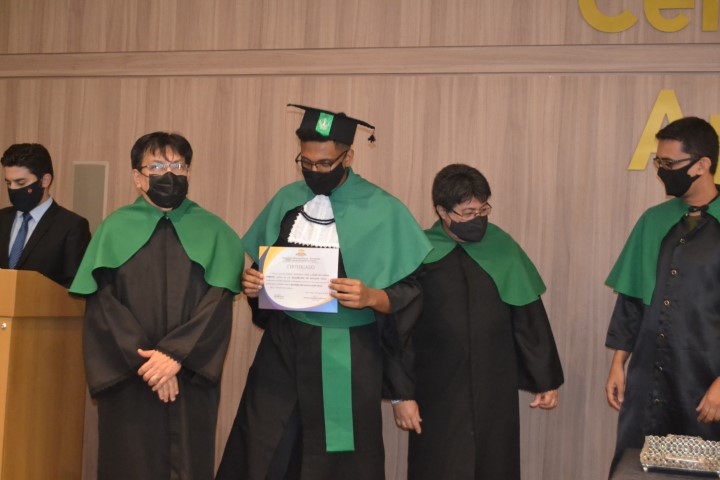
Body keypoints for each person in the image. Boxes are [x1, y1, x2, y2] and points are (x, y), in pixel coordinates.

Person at [216, 104, 431, 480]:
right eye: (306, 162)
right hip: (282, 348)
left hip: (347, 351)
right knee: (265, 445)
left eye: (325, 163)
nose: (314, 170)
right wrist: (253, 285)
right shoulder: (286, 199)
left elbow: (411, 291)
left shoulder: (384, 209)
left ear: (349, 157)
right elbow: (264, 274)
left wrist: (371, 297)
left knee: (337, 460)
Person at [69, 132, 244, 480]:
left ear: (189, 172)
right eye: (158, 166)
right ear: (137, 177)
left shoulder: (215, 231)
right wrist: (150, 363)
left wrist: (176, 355)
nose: (170, 174)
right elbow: (103, 305)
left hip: (189, 377)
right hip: (130, 377)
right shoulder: (113, 229)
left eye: (177, 165)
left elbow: (218, 304)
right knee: (129, 464)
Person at [392, 163, 564, 480]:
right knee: (439, 467)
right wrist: (402, 395)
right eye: (468, 212)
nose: (478, 219)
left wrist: (545, 379)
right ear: (442, 211)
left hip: (494, 386)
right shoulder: (418, 252)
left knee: (494, 465)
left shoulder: (502, 247)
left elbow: (527, 315)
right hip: (436, 388)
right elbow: (400, 331)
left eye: (483, 209)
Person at [605, 116, 720, 474]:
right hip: (650, 379)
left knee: (702, 470)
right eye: (659, 162)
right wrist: (618, 363)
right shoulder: (653, 220)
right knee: (642, 468)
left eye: (669, 163)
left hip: (707, 381)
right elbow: (632, 299)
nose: (661, 171)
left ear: (702, 164)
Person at [1, 143, 90, 287]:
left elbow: (73, 286)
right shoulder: (2, 219)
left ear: (45, 180)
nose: (13, 189)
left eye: (20, 183)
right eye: (8, 183)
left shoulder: (72, 226)